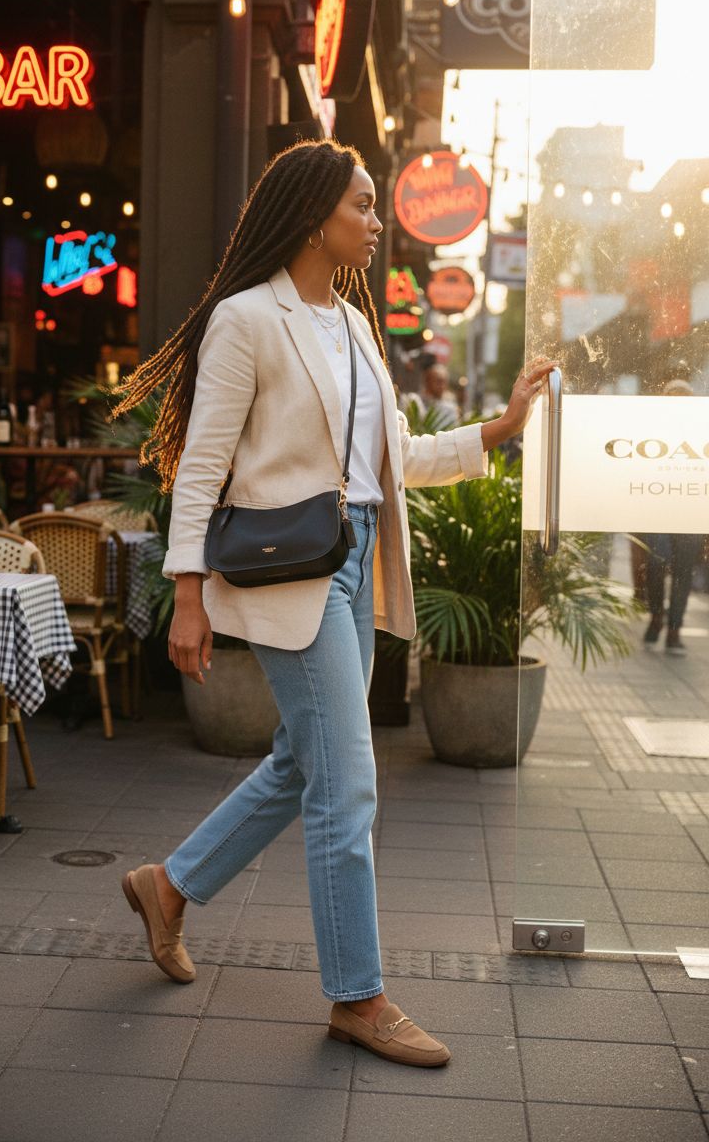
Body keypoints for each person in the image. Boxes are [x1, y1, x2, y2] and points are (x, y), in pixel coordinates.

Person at [110, 139, 555, 1068]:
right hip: (290, 569)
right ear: (316, 217)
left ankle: (170, 886)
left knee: (302, 762)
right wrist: (187, 594)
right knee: (347, 784)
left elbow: (395, 460)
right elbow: (202, 463)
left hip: (354, 562)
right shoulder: (247, 319)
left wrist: (501, 428)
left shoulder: (353, 327)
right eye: (362, 204)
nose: (376, 220)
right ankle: (358, 997)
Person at [642, 378, 704, 656]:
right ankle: (656, 616)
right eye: (673, 397)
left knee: (683, 573)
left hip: (690, 512)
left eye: (684, 398)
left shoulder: (701, 429)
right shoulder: (652, 429)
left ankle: (674, 630)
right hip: (657, 510)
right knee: (655, 565)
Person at [399, 355, 459, 429]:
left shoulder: (451, 409)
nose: (442, 386)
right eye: (438, 381)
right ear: (427, 381)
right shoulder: (412, 401)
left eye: (444, 382)